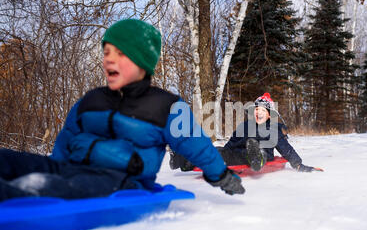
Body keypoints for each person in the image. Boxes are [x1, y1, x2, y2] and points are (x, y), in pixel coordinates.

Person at [0, 19, 244, 201]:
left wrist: (220, 175)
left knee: (44, 187)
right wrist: (57, 170)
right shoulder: (90, 100)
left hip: (122, 183)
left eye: (120, 53)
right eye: (106, 52)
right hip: (71, 170)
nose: (109, 59)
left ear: (142, 62)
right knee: (9, 161)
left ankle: (24, 193)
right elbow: (66, 141)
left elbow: (195, 144)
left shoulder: (166, 106)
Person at [170, 92, 319, 173]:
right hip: (238, 154)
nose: (259, 113)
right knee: (214, 151)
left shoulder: (274, 129)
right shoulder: (245, 126)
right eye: (257, 110)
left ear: (269, 115)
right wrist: (223, 151)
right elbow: (232, 143)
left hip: (261, 154)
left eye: (263, 110)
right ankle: (184, 159)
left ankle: (256, 159)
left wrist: (299, 165)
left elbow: (286, 149)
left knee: (255, 149)